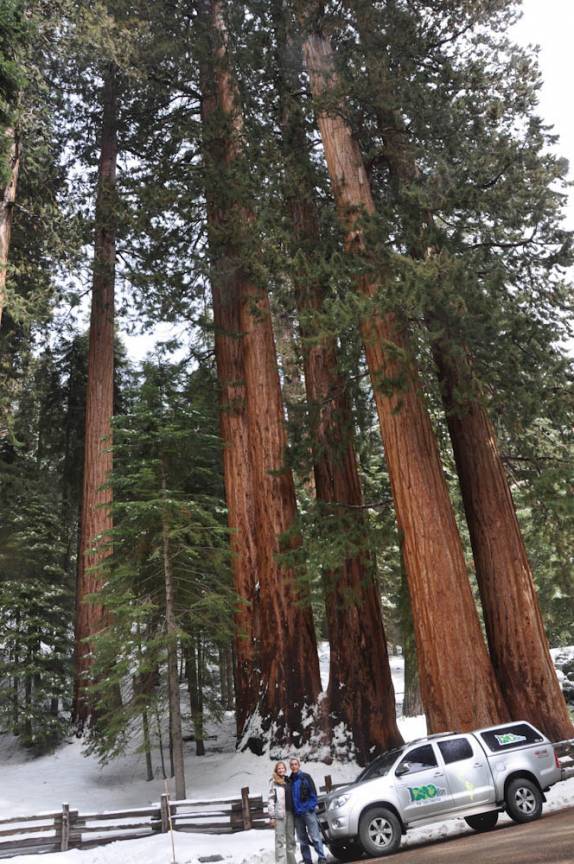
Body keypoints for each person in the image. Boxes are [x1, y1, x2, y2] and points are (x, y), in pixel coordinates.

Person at [289, 757, 327, 864]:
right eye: (292, 765)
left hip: (308, 812)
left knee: (315, 836)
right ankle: (307, 860)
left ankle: (321, 857)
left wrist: (310, 807)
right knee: (302, 840)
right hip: (297, 814)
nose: (294, 766)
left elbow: (313, 794)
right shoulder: (289, 781)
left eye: (295, 764)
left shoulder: (306, 777)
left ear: (299, 765)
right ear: (290, 767)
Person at [268, 760, 297, 864]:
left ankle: (292, 862)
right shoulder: (273, 782)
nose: (281, 770)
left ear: (285, 769)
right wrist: (272, 816)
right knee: (280, 841)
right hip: (279, 815)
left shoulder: (288, 781)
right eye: (279, 768)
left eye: (282, 768)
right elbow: (271, 799)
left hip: (290, 814)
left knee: (291, 839)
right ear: (276, 770)